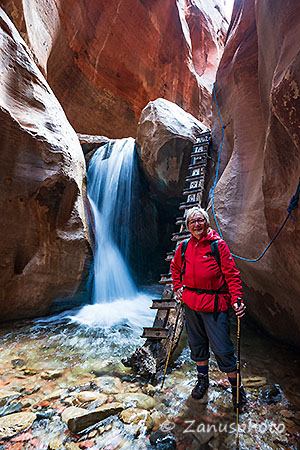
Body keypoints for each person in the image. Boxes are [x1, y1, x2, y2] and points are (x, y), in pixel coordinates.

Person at [170, 207, 247, 411]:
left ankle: (236, 388)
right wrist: (178, 287)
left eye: (200, 221)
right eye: (192, 222)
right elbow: (175, 268)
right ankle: (202, 380)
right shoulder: (184, 247)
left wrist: (237, 298)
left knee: (222, 349)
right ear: (188, 226)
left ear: (206, 223)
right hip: (191, 304)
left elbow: (232, 274)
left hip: (214, 305)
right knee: (197, 345)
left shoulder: (218, 246)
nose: (196, 224)